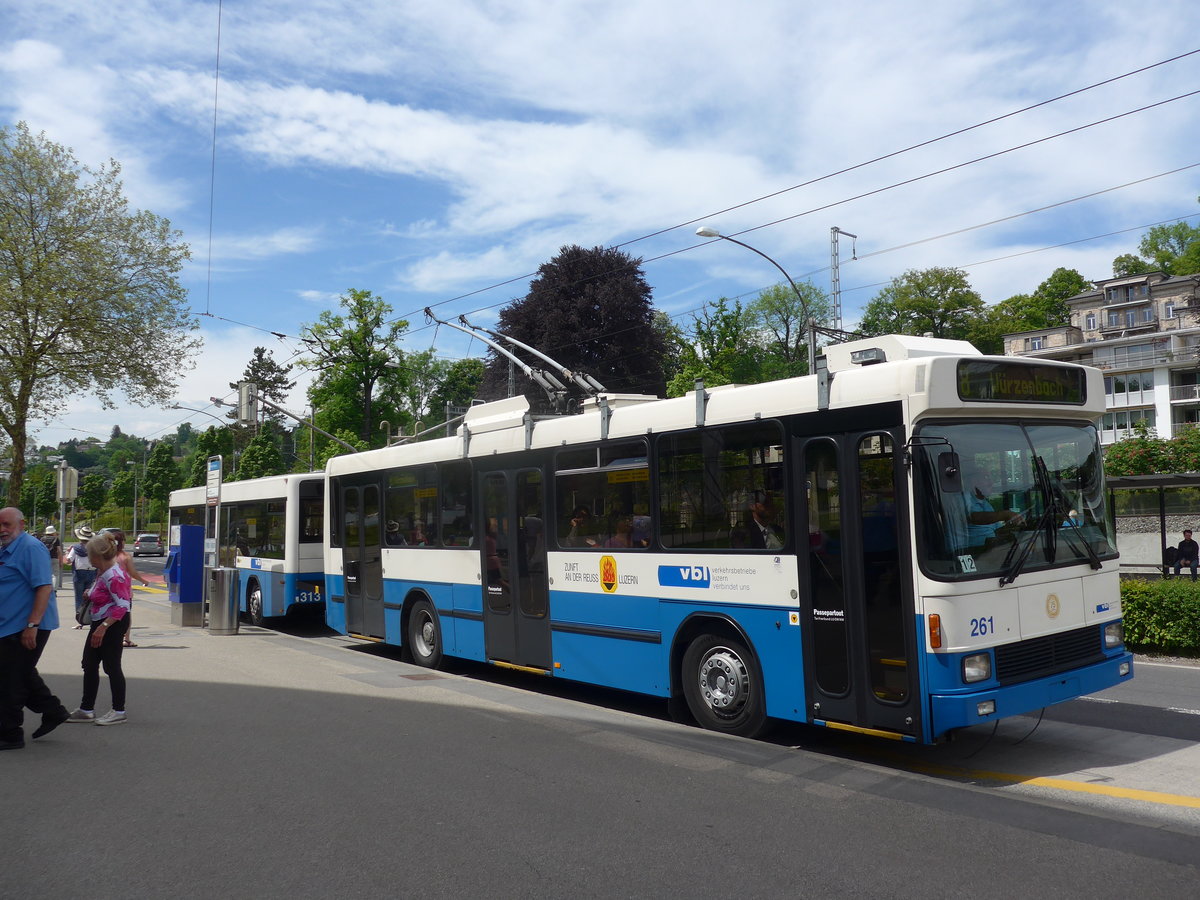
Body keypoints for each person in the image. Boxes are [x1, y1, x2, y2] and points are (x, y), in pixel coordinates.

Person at [0, 507, 71, 750]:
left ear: (21, 524)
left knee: (10, 680)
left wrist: (32, 625)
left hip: (26, 626)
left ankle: (10, 734)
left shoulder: (30, 548)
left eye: (7, 524)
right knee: (19, 672)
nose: (2, 529)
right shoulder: (7, 548)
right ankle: (53, 710)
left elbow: (43, 587)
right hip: (9, 625)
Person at [67, 533, 132, 726]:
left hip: (111, 623)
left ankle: (119, 711)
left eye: (89, 554)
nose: (87, 557)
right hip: (101, 621)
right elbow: (104, 594)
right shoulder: (102, 572)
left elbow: (123, 605)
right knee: (89, 663)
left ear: (97, 556)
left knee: (111, 666)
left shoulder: (113, 574)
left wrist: (103, 628)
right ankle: (87, 709)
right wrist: (91, 594)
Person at [964, 474, 1023, 547]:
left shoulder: (986, 504)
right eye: (986, 477)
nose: (991, 482)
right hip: (970, 551)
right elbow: (974, 517)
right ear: (974, 481)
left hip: (989, 548)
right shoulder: (965, 498)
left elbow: (997, 531)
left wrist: (1014, 527)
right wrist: (1005, 514)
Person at [64, 524, 98, 628]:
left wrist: (66, 553)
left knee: (79, 598)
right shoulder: (94, 548)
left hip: (79, 573)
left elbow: (69, 560)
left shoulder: (76, 548)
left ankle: (80, 621)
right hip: (92, 572)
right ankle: (92, 619)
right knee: (91, 597)